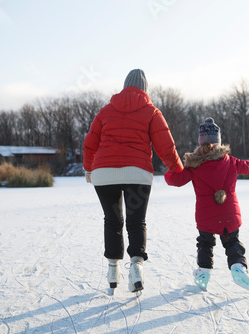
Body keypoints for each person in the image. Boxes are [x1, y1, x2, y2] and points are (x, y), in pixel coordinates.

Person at [83, 69, 183, 293]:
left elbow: (90, 143)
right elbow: (166, 146)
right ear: (145, 88)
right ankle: (136, 267)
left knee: (112, 220)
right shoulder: (151, 112)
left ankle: (112, 270)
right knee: (136, 221)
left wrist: (88, 167)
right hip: (137, 174)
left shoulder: (105, 111)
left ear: (125, 85)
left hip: (104, 173)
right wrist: (177, 169)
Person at [165, 117, 249, 292]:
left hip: (206, 216)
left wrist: (169, 172)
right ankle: (238, 268)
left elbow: (176, 180)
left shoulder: (194, 166)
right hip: (229, 213)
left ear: (201, 142)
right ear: (218, 141)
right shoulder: (232, 161)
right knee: (232, 242)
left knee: (205, 244)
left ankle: (204, 272)